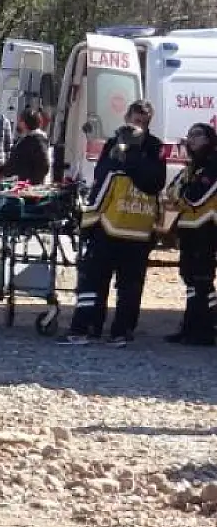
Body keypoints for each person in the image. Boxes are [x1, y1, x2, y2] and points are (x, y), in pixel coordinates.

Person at [62, 100, 167, 347]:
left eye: (143, 123)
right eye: (135, 120)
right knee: (94, 279)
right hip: (107, 225)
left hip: (137, 229)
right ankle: (87, 328)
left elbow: (154, 182)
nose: (137, 126)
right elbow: (102, 176)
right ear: (126, 118)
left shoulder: (155, 147)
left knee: (130, 285)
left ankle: (122, 331)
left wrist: (130, 157)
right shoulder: (113, 143)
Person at [171, 123, 217, 345]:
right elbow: (171, 192)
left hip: (206, 230)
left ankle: (206, 329)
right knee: (189, 278)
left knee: (202, 281)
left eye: (197, 135)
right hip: (188, 229)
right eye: (189, 135)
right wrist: (183, 193)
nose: (191, 139)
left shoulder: (213, 164)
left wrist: (183, 193)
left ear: (209, 139)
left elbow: (195, 196)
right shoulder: (192, 167)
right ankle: (189, 327)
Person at [0, 109, 52, 184]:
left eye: (20, 121)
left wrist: (31, 181)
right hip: (21, 182)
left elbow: (44, 166)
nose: (18, 123)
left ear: (24, 123)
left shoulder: (35, 140)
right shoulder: (29, 139)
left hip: (27, 185)